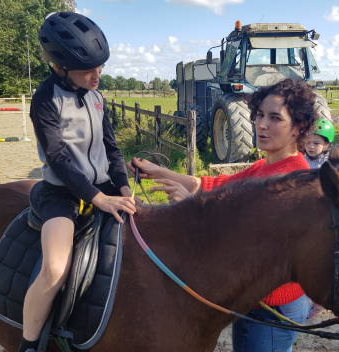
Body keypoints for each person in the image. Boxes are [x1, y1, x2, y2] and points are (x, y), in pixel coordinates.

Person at [127, 78, 317, 352]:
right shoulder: (267, 166)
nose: (262, 125)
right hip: (267, 300)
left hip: (270, 309)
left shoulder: (287, 182)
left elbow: (237, 240)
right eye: (260, 115)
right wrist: (161, 172)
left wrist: (189, 208)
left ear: (299, 126)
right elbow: (219, 186)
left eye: (275, 118)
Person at [18, 12, 136, 352]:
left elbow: (112, 148)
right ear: (59, 67)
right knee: (55, 269)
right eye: (88, 69)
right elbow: (59, 159)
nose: (97, 74)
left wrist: (124, 189)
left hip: (108, 190)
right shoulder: (45, 100)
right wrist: (98, 198)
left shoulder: (97, 97)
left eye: (100, 66)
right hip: (63, 195)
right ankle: (29, 344)